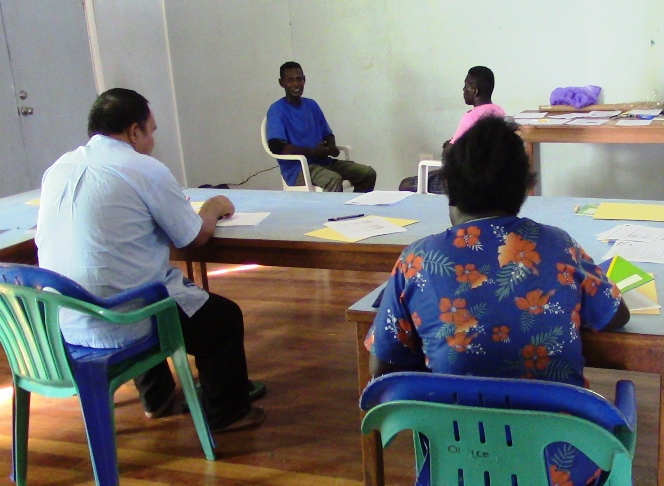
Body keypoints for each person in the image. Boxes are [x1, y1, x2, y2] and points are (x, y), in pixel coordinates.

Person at [367, 116, 630, 485]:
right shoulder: (560, 246)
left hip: (457, 465)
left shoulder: (416, 261)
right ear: (525, 189)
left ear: (449, 188)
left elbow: (383, 372)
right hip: (558, 468)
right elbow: (617, 315)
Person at [36, 88, 266, 432]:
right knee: (221, 319)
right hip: (120, 318)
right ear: (134, 131)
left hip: (63, 321)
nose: (152, 140)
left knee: (129, 276)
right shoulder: (144, 169)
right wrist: (215, 206)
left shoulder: (58, 168)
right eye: (152, 131)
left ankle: (157, 400)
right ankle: (228, 414)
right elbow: (194, 237)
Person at [266, 61, 376, 192]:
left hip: (324, 162)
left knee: (367, 173)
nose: (296, 84)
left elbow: (328, 134)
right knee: (333, 179)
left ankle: (357, 209)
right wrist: (313, 152)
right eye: (290, 80)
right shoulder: (277, 110)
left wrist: (331, 146)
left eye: (299, 79)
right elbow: (276, 147)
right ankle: (335, 213)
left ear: (304, 80)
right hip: (298, 169)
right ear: (281, 83)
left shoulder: (311, 105)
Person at [399, 65, 507, 193]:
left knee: (405, 184)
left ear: (475, 91)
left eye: (466, 85)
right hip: (493, 179)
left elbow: (448, 155)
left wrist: (448, 146)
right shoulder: (499, 111)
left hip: (466, 183)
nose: (463, 89)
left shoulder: (471, 117)